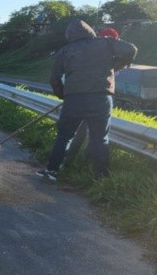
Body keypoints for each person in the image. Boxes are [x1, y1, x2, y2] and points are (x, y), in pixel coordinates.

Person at [36, 19, 137, 182]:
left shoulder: (65, 50)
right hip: (101, 98)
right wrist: (116, 65)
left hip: (74, 99)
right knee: (100, 139)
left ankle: (52, 170)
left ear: (69, 35)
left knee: (64, 136)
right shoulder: (106, 43)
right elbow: (131, 49)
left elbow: (54, 78)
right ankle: (102, 178)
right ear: (90, 31)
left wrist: (64, 95)